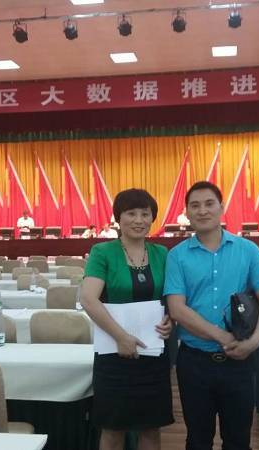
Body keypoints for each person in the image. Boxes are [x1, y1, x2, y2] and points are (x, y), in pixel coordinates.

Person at [164, 181, 259, 450]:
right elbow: (177, 309)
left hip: (240, 362)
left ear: (221, 208)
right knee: (197, 440)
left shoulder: (248, 250)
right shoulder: (177, 256)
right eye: (195, 206)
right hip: (194, 363)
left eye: (209, 203)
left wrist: (254, 343)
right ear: (187, 213)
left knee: (238, 440)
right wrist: (222, 337)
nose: (202, 210)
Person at [80, 188, 174, 450]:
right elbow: (88, 299)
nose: (139, 220)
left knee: (151, 427)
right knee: (113, 429)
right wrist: (121, 337)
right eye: (131, 213)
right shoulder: (102, 252)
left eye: (145, 214)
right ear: (118, 218)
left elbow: (171, 297)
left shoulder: (162, 254)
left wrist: (171, 320)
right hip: (114, 353)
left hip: (153, 353)